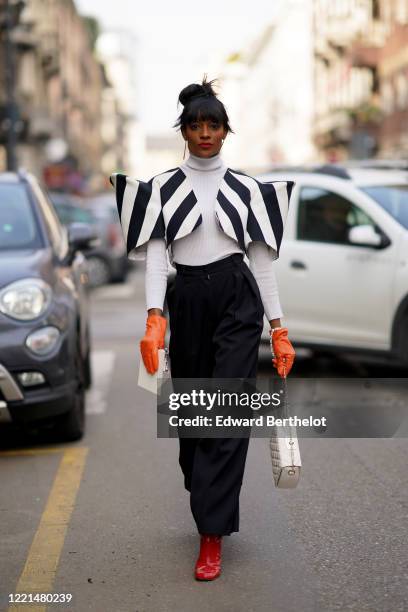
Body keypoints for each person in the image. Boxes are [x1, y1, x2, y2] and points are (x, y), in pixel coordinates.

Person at [110, 75, 296, 582]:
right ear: (184, 132)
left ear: (225, 131)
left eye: (213, 125)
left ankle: (211, 536)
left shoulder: (248, 190)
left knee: (225, 416)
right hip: (186, 297)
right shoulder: (162, 189)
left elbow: (261, 265)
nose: (205, 133)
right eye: (196, 125)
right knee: (194, 424)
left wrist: (278, 327)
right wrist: (154, 319)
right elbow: (154, 262)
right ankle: (203, 492)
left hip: (238, 299)